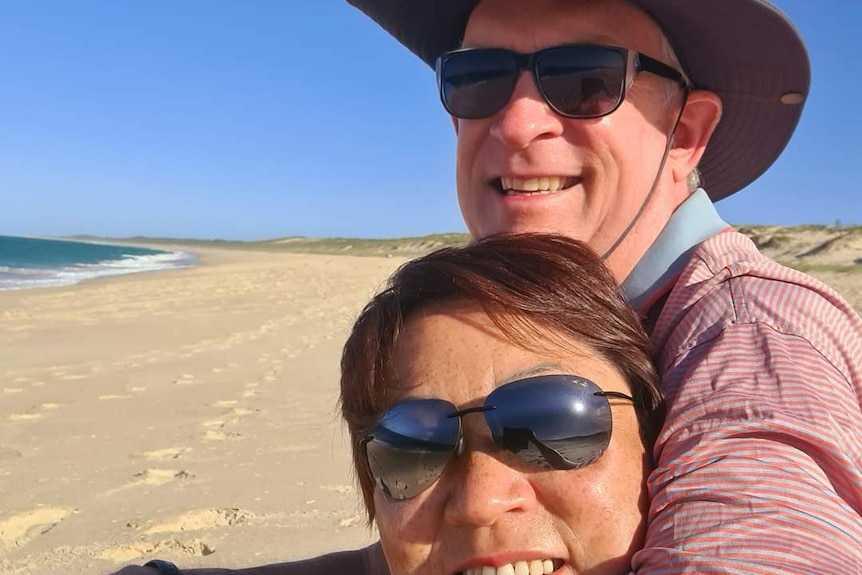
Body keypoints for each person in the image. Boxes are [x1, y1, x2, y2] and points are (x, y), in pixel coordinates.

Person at [128, 0, 862, 573]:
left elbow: (764, 541)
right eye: (478, 79)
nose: (514, 122)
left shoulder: (752, 330)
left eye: (585, 80)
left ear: (688, 134)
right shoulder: (563, 320)